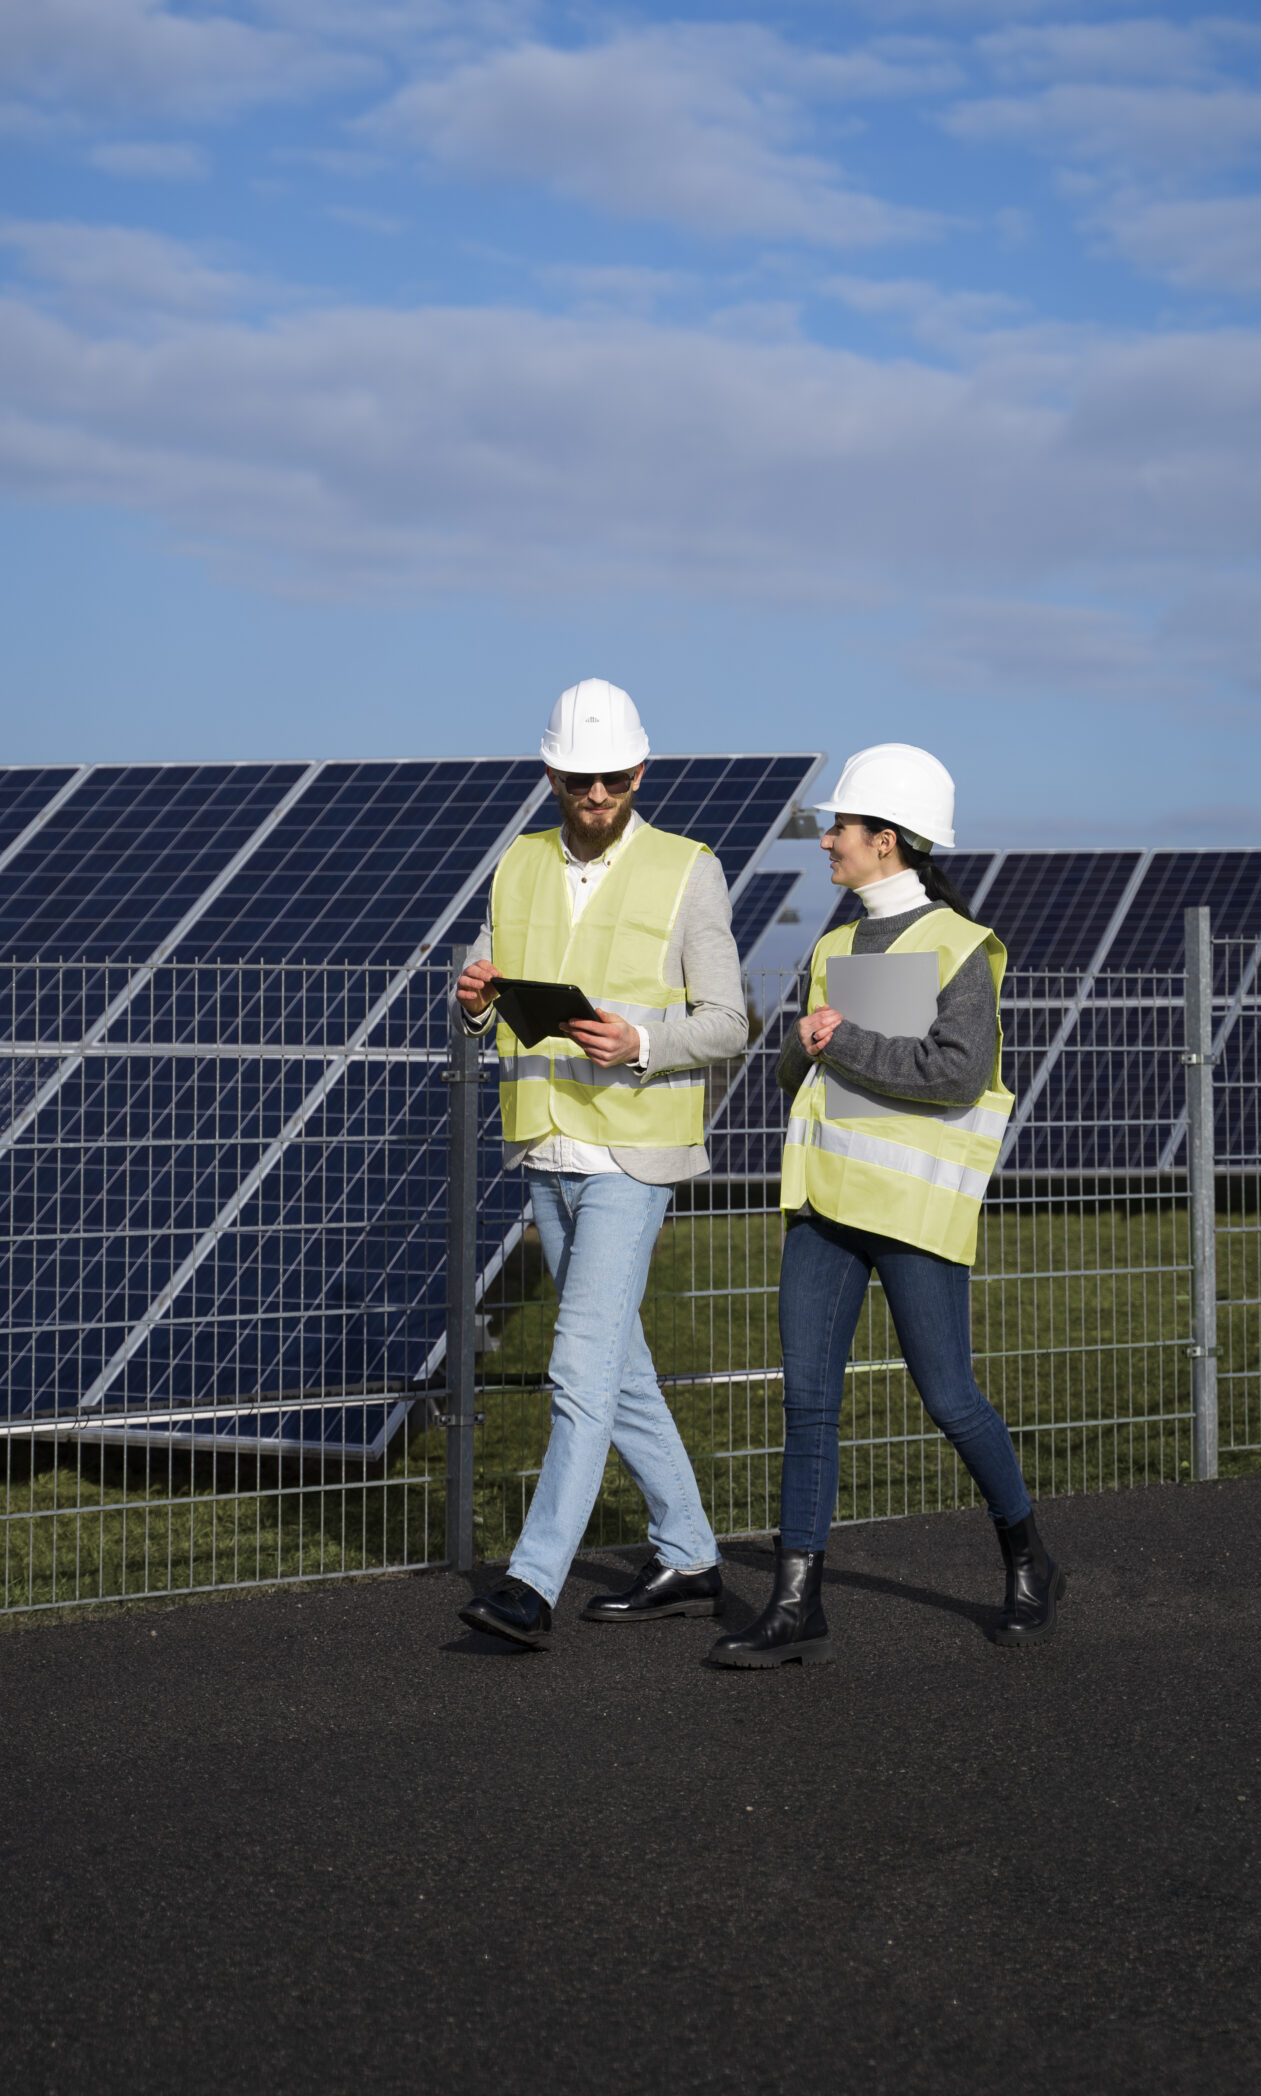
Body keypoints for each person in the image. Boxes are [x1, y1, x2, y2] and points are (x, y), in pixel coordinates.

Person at [708, 742, 1064, 1670]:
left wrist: (843, 1038)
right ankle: (795, 1604)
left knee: (949, 1399)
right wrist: (803, 1043)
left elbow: (954, 1075)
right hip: (823, 1204)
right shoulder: (830, 946)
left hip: (910, 1212)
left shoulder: (957, 945)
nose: (827, 840)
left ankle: (1027, 1558)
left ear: (888, 841)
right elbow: (802, 1075)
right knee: (809, 1404)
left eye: (842, 827)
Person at [454, 680, 752, 1650]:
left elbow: (728, 1023)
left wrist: (640, 1041)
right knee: (618, 1367)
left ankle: (530, 1583)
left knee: (575, 1365)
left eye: (615, 776)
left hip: (633, 1152)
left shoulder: (687, 869)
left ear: (639, 770)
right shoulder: (519, 863)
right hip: (545, 1139)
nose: (597, 791)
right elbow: (490, 983)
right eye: (581, 776)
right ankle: (692, 1552)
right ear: (552, 773)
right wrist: (470, 1000)